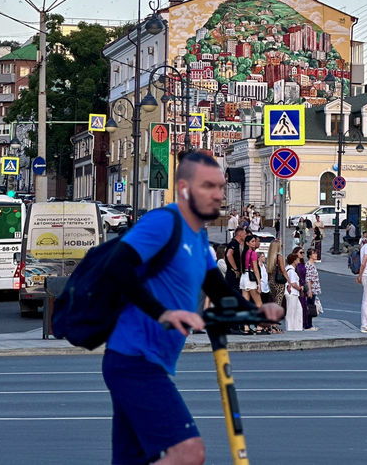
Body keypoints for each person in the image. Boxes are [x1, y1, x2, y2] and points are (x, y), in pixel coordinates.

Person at [102, 150, 283, 464]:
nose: (219, 194)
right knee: (189, 452)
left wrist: (255, 313)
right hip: (135, 360)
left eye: (221, 187)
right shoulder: (164, 223)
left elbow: (218, 290)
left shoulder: (197, 237)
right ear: (185, 189)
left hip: (146, 361)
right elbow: (117, 267)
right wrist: (163, 313)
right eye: (209, 187)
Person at [284, 249, 303, 331]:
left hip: (293, 293)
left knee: (298, 309)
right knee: (291, 312)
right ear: (294, 260)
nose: (299, 260)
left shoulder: (288, 268)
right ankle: (290, 328)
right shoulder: (291, 271)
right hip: (292, 293)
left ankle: (297, 327)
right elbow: (293, 283)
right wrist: (300, 288)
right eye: (297, 259)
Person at [224, 225, 246, 292]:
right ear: (240, 234)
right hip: (232, 274)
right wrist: (235, 269)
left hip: (235, 274)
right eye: (245, 234)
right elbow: (229, 254)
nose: (246, 236)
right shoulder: (234, 243)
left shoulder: (238, 244)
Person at [305, 247, 322, 317]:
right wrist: (309, 291)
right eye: (314, 253)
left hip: (314, 290)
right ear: (310, 255)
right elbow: (308, 279)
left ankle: (309, 324)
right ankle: (308, 325)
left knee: (311, 307)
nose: (316, 255)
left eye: (316, 253)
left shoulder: (312, 265)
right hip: (311, 290)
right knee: (310, 308)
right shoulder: (309, 265)